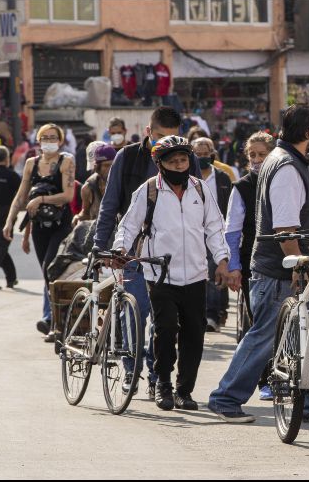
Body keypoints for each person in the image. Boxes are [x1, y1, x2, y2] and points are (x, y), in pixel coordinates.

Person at [208, 104, 309, 423]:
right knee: (263, 336)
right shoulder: (286, 166)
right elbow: (285, 227)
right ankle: (226, 397)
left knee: (297, 338)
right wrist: (298, 264)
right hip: (278, 269)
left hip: (281, 268)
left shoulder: (287, 161)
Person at [114, 136, 230, 411]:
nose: (179, 165)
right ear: (160, 164)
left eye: (183, 160)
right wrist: (120, 249)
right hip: (160, 273)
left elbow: (214, 227)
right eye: (173, 161)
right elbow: (129, 225)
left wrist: (222, 260)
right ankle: (162, 384)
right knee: (165, 329)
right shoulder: (148, 191)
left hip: (196, 274)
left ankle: (184, 391)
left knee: (194, 334)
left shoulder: (200, 189)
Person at [94, 106, 195, 397]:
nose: (166, 145)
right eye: (160, 137)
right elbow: (110, 204)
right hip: (132, 252)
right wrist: (101, 246)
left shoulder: (186, 159)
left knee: (163, 322)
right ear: (149, 132)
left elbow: (200, 205)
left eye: (172, 138)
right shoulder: (127, 157)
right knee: (134, 312)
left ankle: (156, 374)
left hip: (171, 255)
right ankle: (131, 370)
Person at [3, 124, 75, 341]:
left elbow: (68, 195)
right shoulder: (31, 163)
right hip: (39, 227)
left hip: (61, 224)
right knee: (47, 275)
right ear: (38, 140)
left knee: (50, 268)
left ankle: (55, 323)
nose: (49, 140)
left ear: (60, 140)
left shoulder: (66, 162)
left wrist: (41, 199)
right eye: (45, 137)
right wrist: (10, 222)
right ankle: (54, 318)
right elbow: (21, 195)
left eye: (53, 137)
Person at [222, 132, 273, 401]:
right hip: (253, 262)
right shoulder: (242, 186)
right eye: (252, 155)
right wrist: (233, 266)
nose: (256, 160)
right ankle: (265, 379)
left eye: (261, 154)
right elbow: (231, 231)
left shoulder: (283, 180)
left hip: (285, 258)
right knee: (260, 322)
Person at [192, 137, 233, 333]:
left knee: (214, 273)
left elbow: (229, 207)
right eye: (197, 154)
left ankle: (212, 314)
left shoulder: (223, 178)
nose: (201, 157)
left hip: (216, 232)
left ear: (212, 155)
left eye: (205, 154)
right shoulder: (188, 178)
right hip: (192, 233)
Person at [0, 146, 20, 290]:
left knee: (0, 247)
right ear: (7, 159)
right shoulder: (12, 175)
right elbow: (21, 195)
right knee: (1, 247)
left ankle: (11, 278)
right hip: (6, 214)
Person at [73, 144, 116, 224]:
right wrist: (78, 217)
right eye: (106, 165)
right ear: (97, 167)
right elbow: (86, 213)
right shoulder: (88, 189)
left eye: (113, 165)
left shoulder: (125, 183)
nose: (111, 169)